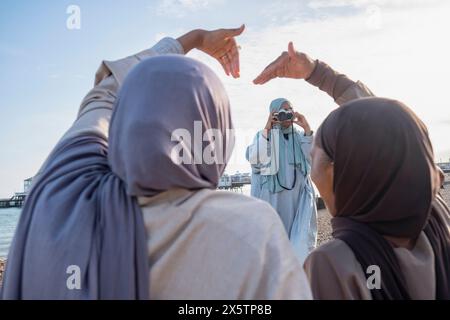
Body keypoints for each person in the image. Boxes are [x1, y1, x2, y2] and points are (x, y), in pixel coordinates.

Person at [1, 28, 313, 300]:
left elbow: (103, 95)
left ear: (127, 119)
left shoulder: (60, 193)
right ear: (217, 136)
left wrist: (193, 39)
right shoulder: (251, 230)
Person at [254, 42, 450, 300]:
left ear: (341, 174)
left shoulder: (333, 262)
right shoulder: (433, 216)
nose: (311, 173)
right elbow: (392, 133)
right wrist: (318, 72)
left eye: (315, 159)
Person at [246, 98, 317, 264]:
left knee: (300, 242)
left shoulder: (300, 137)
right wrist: (267, 130)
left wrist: (307, 128)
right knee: (272, 245)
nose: (286, 116)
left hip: (298, 200)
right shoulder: (263, 136)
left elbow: (314, 159)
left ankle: (297, 279)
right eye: (282, 112)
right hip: (272, 200)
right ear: (273, 114)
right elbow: (255, 159)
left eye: (289, 111)